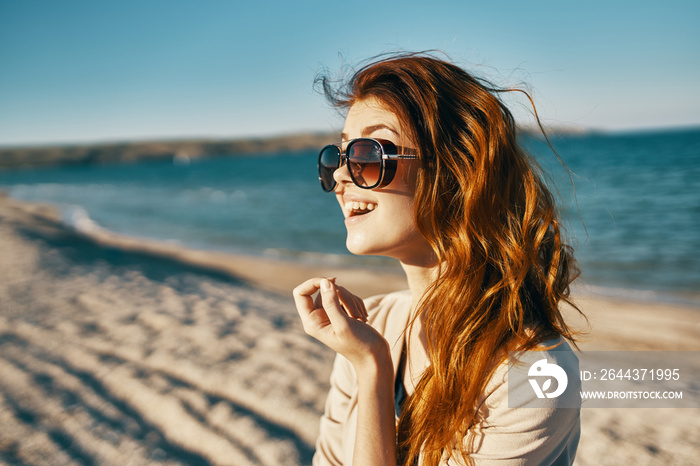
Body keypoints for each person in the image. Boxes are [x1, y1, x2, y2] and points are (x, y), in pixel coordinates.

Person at [293, 52, 583, 466]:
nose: (340, 175)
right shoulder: (372, 325)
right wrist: (366, 360)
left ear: (456, 172)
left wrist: (373, 372)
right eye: (338, 156)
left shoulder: (535, 376)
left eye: (369, 154)